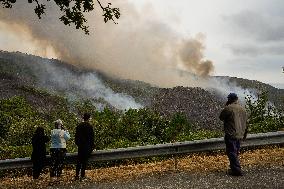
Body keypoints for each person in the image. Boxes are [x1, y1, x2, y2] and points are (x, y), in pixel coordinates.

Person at [219, 93, 248, 176]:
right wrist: (245, 135)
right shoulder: (243, 109)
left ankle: (237, 170)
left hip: (231, 134)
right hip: (240, 134)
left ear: (229, 99)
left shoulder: (228, 108)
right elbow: (246, 123)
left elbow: (221, 117)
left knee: (231, 152)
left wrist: (226, 106)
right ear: (236, 99)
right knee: (235, 152)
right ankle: (234, 169)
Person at [75, 113, 95, 180]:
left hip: (80, 146)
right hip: (87, 147)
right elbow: (92, 138)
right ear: (89, 118)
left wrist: (78, 144)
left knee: (79, 161)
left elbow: (76, 137)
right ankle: (82, 176)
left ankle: (77, 175)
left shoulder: (79, 126)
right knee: (84, 162)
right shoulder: (89, 126)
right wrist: (92, 147)